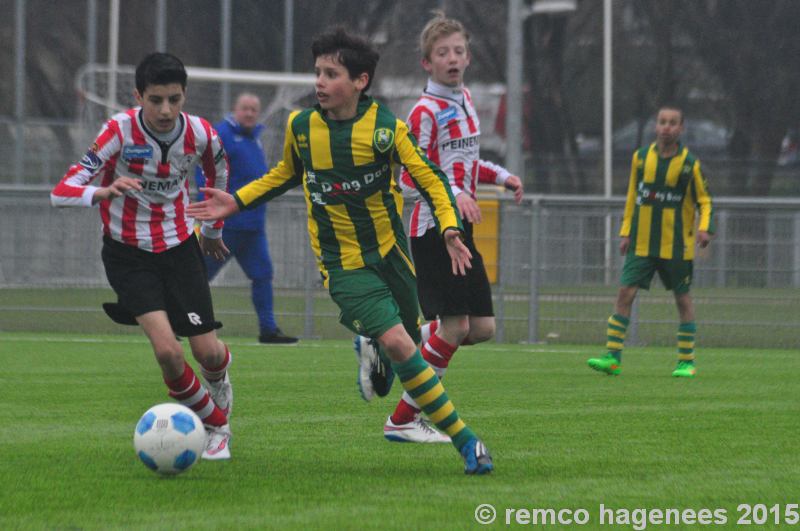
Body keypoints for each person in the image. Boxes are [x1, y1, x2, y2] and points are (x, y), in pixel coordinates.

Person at [188, 28, 494, 474]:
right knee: (402, 346)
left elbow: (430, 180)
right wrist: (235, 201)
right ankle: (468, 442)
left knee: (400, 351)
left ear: (360, 82)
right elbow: (284, 175)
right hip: (343, 265)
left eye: (331, 74)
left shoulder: (387, 130)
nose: (319, 82)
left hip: (392, 257)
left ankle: (375, 349)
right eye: (317, 72)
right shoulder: (301, 127)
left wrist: (449, 228)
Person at [51, 52, 234, 459]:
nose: (166, 110)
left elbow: (219, 175)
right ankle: (216, 424)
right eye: (155, 100)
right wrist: (102, 191)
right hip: (127, 254)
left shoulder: (202, 133)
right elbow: (61, 190)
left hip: (180, 247)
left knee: (208, 353)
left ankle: (220, 378)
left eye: (174, 99)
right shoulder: (118, 129)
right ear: (138, 96)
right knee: (168, 351)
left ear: (185, 95)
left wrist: (211, 229)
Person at [356, 12, 524, 445]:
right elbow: (411, 176)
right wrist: (453, 195)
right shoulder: (424, 112)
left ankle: (390, 348)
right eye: (442, 52)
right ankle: (402, 419)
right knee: (454, 328)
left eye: (459, 51)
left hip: (461, 226)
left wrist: (501, 176)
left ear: (468, 57)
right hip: (433, 228)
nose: (453, 58)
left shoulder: (465, 100)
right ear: (426, 62)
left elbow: (466, 164)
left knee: (481, 328)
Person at [587, 104, 714, 378]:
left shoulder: (689, 164)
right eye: (662, 122)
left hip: (675, 245)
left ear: (680, 129)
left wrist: (704, 228)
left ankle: (686, 361)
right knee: (625, 292)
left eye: (672, 123)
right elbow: (633, 196)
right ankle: (612, 357)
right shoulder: (641, 159)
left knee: (682, 299)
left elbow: (704, 200)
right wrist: (626, 231)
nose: (666, 127)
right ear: (655, 126)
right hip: (642, 243)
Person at [196, 92, 298, 344]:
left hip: (253, 227)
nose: (250, 113)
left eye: (254, 109)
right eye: (245, 108)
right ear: (235, 109)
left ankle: (268, 329)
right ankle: (180, 321)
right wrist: (211, 213)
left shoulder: (255, 139)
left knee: (263, 274)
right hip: (226, 226)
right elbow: (206, 171)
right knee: (197, 276)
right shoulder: (223, 135)